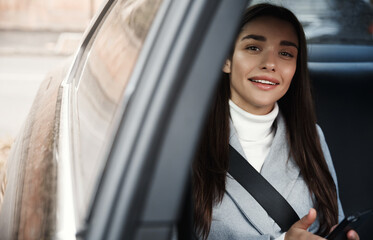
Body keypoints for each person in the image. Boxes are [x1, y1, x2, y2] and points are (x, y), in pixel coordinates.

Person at [192, 3, 360, 240]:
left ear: (294, 69)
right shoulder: (187, 139)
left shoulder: (311, 137)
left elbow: (332, 219)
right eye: (253, 47)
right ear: (226, 60)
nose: (270, 63)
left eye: (285, 53)